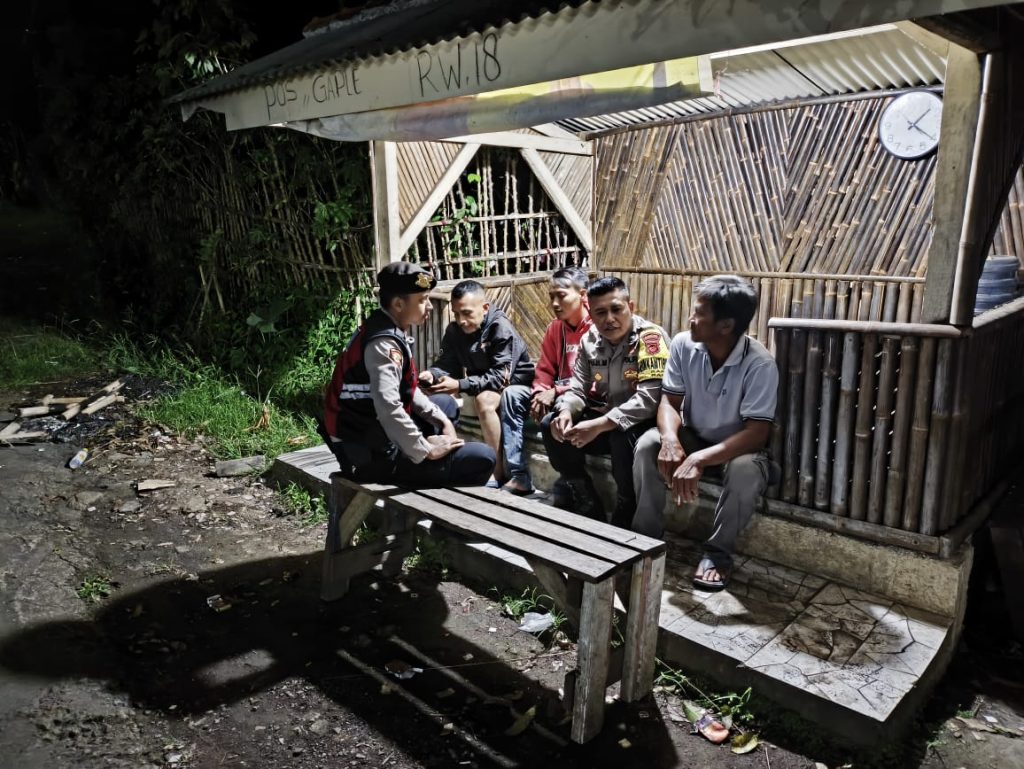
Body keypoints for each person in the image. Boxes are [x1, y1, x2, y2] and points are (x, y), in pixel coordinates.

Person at [632, 275, 779, 592]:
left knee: (745, 470)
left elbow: (757, 433)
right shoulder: (684, 344)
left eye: (699, 313)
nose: (690, 319)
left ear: (726, 326)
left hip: (738, 447)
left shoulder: (760, 364)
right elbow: (669, 402)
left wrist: (699, 458)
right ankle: (645, 539)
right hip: (695, 436)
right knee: (648, 444)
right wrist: (670, 438)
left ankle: (718, 553)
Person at [322, 262, 495, 486]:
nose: (430, 306)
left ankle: (429, 464)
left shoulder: (384, 326)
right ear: (398, 304)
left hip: (373, 431)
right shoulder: (384, 344)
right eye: (422, 300)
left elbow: (407, 389)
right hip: (368, 454)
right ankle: (440, 510)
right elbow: (388, 407)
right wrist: (426, 449)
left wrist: (442, 421)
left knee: (445, 406)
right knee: (482, 458)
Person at [541, 276, 669, 527]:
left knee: (621, 435)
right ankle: (582, 491)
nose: (609, 319)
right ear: (591, 311)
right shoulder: (590, 341)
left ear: (630, 307)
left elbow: (650, 398)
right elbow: (577, 387)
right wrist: (566, 410)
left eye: (616, 309)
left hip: (645, 424)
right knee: (550, 424)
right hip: (607, 419)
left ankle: (625, 503)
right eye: (600, 312)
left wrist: (600, 424)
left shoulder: (650, 339)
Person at [420, 280, 535, 483]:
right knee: (433, 397)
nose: (461, 320)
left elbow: (501, 377)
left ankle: (496, 471)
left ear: (484, 308)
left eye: (467, 313)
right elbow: (448, 364)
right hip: (483, 382)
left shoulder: (500, 328)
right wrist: (432, 375)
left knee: (484, 400)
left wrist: (461, 385)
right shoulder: (455, 330)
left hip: (514, 387)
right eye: (456, 314)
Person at [498, 267, 592, 497]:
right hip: (555, 393)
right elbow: (544, 369)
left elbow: (595, 379)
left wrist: (555, 391)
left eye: (561, 295)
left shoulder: (597, 328)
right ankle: (518, 474)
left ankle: (573, 483)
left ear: (583, 295)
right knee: (511, 395)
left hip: (583, 396)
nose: (555, 303)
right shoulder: (555, 328)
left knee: (555, 416)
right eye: (552, 297)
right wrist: (541, 391)